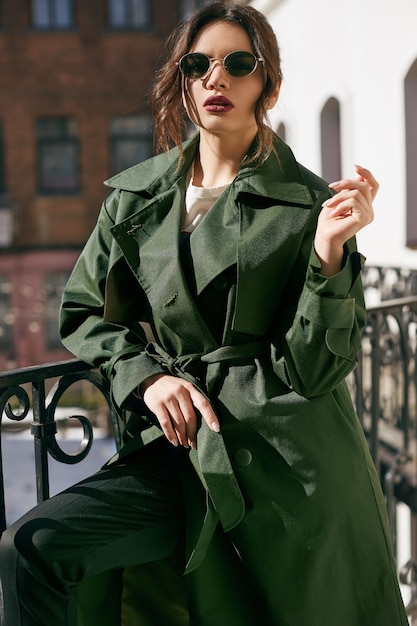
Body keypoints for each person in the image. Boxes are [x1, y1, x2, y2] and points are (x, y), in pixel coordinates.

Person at [0, 2, 409, 625]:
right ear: (182, 80)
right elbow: (84, 311)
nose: (216, 79)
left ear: (265, 81)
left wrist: (329, 255)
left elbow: (316, 370)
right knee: (33, 547)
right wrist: (147, 376)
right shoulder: (138, 196)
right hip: (179, 444)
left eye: (237, 63)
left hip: (284, 461)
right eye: (199, 65)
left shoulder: (306, 203)